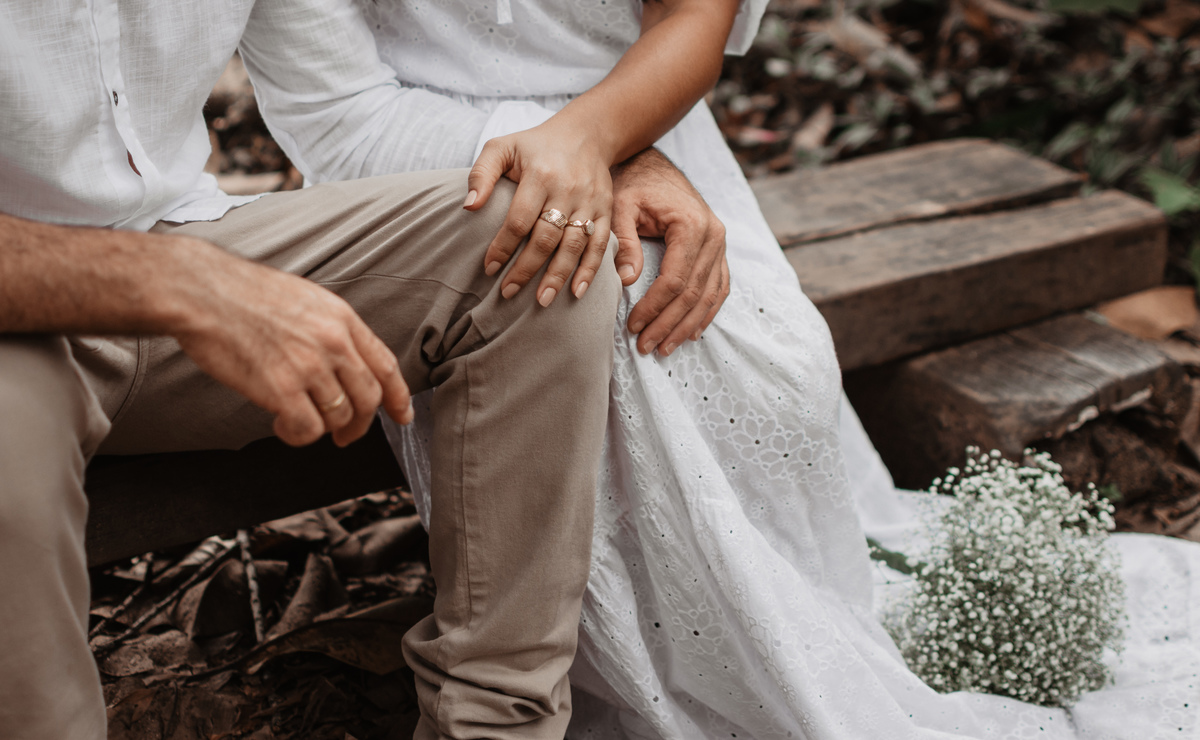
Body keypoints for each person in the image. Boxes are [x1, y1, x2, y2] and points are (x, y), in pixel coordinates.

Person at [296, 0, 1200, 737]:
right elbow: (331, 109)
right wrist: (559, 155)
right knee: (595, 315)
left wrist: (598, 143)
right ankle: (561, 671)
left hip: (646, 127)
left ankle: (772, 632)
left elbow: (693, 17)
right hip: (429, 174)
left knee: (769, 374)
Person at [0, 3, 721, 739]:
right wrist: (167, 282)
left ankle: (492, 727)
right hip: (19, 317)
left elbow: (342, 106)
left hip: (187, 244)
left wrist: (593, 153)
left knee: (539, 242)